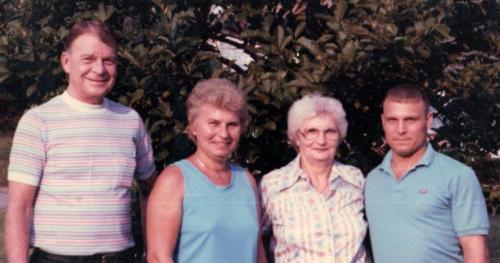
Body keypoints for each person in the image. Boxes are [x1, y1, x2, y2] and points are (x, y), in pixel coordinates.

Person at [5, 20, 156, 262]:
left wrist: (153, 252)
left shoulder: (130, 120)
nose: (99, 69)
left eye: (108, 60)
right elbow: (19, 208)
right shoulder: (38, 121)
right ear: (66, 62)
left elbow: (151, 190)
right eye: (88, 59)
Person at [365, 84, 490, 263]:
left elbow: (476, 251)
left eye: (410, 120)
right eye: (393, 120)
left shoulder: (458, 176)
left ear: (428, 120)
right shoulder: (372, 180)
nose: (400, 130)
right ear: (383, 121)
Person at [146, 78, 266, 263]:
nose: (224, 134)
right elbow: (158, 257)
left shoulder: (246, 179)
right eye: (214, 123)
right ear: (194, 126)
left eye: (232, 125)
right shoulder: (174, 179)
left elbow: (257, 251)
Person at [260, 93, 369, 262]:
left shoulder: (355, 179)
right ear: (297, 138)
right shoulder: (274, 184)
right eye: (311, 131)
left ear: (339, 136)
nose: (321, 140)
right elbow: (253, 240)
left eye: (330, 132)